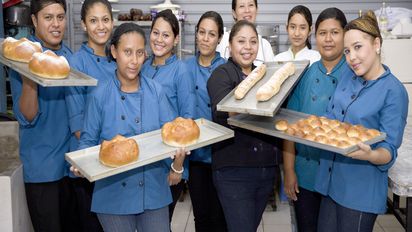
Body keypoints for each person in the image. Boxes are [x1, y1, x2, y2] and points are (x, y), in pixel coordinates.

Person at [75, 22, 186, 232]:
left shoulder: (156, 91)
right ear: (114, 52)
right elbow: (87, 141)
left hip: (153, 189)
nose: (134, 61)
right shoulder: (100, 95)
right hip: (112, 194)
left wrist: (177, 163)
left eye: (139, 53)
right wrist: (81, 163)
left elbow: (171, 135)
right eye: (127, 52)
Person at [315, 11, 408, 232]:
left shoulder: (394, 91)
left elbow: (389, 149)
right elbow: (331, 114)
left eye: (358, 47)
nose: (351, 57)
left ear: (376, 44)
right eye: (347, 51)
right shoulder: (349, 74)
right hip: (330, 181)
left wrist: (371, 155)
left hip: (360, 190)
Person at [207, 20, 279, 232]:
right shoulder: (221, 74)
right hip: (234, 171)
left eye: (253, 41)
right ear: (230, 45)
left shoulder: (266, 74)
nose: (248, 47)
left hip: (266, 169)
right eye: (241, 41)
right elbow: (225, 110)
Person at [9, 0, 73, 231]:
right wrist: (30, 77)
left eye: (60, 17)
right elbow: (27, 115)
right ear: (34, 20)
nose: (56, 24)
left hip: (71, 168)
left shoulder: (68, 59)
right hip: (43, 171)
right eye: (48, 18)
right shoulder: (22, 58)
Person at [282, 7, 348, 232]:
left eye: (335, 32)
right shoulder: (306, 74)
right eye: (322, 33)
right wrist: (289, 171)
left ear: (344, 35)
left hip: (341, 174)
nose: (328, 39)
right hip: (306, 172)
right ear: (315, 36)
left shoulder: (354, 75)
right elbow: (290, 125)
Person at [140, 9, 196, 225]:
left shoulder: (181, 71)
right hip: (145, 160)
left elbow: (187, 122)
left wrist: (178, 167)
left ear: (176, 39)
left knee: (161, 224)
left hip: (168, 163)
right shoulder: (142, 68)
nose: (159, 40)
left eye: (166, 35)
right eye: (156, 33)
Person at [65, 0, 115, 230]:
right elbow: (78, 126)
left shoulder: (119, 60)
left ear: (112, 22)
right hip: (89, 167)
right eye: (93, 21)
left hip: (117, 166)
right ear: (83, 25)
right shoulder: (76, 64)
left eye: (105, 19)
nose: (100, 26)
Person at [184, 11, 227, 232]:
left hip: (222, 155)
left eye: (211, 34)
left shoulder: (227, 69)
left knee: (220, 217)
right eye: (201, 32)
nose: (205, 38)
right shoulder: (186, 68)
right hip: (196, 155)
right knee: (201, 216)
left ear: (219, 38)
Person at [216, 0, 275, 64]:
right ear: (234, 13)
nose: (247, 10)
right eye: (241, 6)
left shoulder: (265, 45)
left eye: (251, 5)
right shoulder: (222, 41)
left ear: (257, 10)